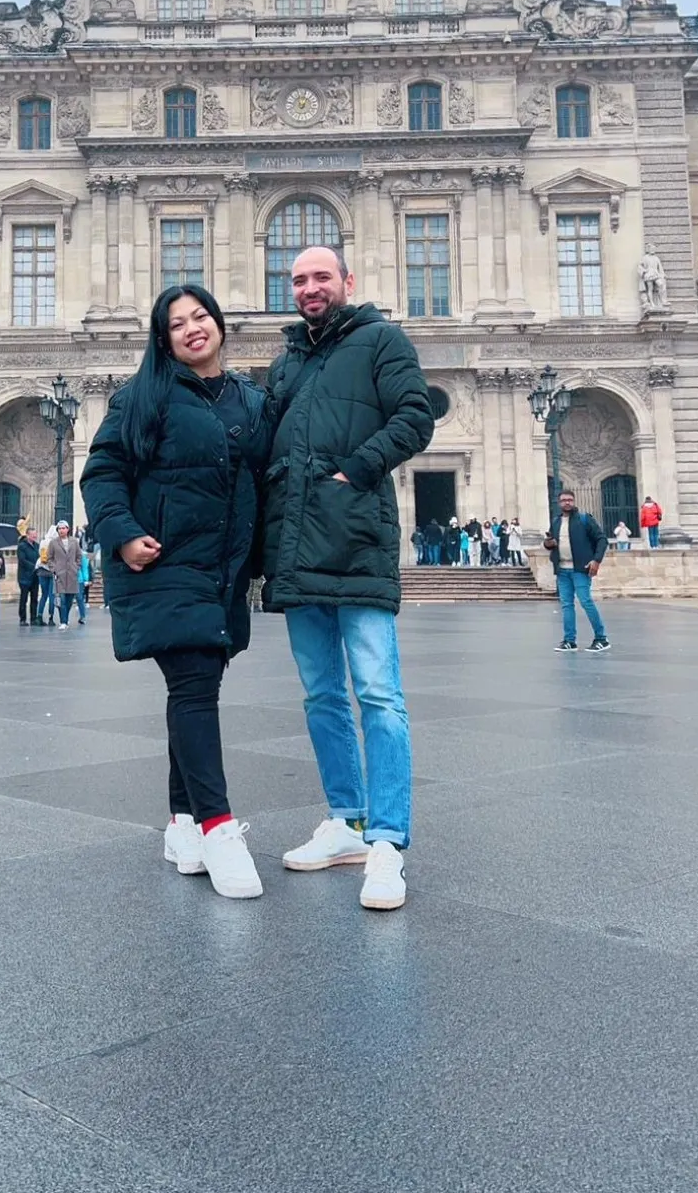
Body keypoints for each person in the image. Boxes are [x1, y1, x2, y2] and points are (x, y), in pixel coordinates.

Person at [81, 284, 272, 901]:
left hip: (224, 568)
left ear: (218, 323)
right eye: (177, 323)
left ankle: (181, 822)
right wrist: (122, 535)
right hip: (163, 559)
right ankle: (218, 827)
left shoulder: (250, 400)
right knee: (194, 685)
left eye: (201, 316)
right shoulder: (143, 396)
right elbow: (102, 473)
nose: (192, 328)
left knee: (195, 686)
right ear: (163, 340)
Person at [261, 245, 433, 912]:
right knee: (322, 697)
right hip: (297, 545)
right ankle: (346, 820)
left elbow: (415, 417)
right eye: (299, 279)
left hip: (357, 539)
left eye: (320, 277)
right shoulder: (287, 361)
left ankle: (386, 840)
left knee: (379, 696)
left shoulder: (383, 340)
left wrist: (354, 471)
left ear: (346, 281)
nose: (309, 287)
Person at [544, 490, 611, 652]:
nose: (567, 502)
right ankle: (569, 640)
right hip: (562, 570)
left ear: (573, 501)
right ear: (559, 503)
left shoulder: (584, 519)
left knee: (586, 602)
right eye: (563, 500)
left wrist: (596, 560)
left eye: (570, 500)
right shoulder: (556, 522)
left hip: (580, 568)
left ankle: (601, 638)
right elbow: (550, 543)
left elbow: (602, 539)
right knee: (566, 605)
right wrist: (548, 543)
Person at [46, 521, 83, 629]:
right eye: (59, 528)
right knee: (61, 598)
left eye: (63, 528)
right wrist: (54, 569)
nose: (61, 530)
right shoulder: (53, 543)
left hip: (72, 574)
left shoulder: (74, 541)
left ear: (68, 529)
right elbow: (49, 558)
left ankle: (65, 618)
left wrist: (76, 567)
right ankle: (63, 621)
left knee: (69, 599)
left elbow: (79, 556)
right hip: (60, 574)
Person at [16, 527, 40, 625]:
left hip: (35, 576)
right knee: (24, 598)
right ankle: (22, 619)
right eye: (32, 534)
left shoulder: (37, 546)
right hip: (24, 576)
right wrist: (33, 566)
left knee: (34, 598)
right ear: (27, 535)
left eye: (35, 534)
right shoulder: (22, 546)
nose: (35, 536)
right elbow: (22, 560)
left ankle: (33, 618)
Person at [35, 539, 56, 626]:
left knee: (44, 595)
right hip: (51, 572)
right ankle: (51, 618)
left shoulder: (43, 543)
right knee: (52, 595)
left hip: (41, 571)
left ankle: (39, 616)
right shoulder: (55, 543)